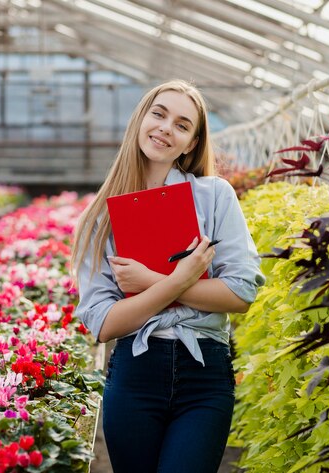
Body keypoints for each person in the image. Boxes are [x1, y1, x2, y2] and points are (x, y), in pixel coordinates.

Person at [71, 79, 265, 473]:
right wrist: (178, 280)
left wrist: (148, 281)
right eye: (158, 114)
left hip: (205, 376)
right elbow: (104, 324)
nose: (165, 128)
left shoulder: (214, 196)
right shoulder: (100, 219)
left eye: (181, 124)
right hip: (135, 375)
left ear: (191, 143)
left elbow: (241, 293)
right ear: (141, 118)